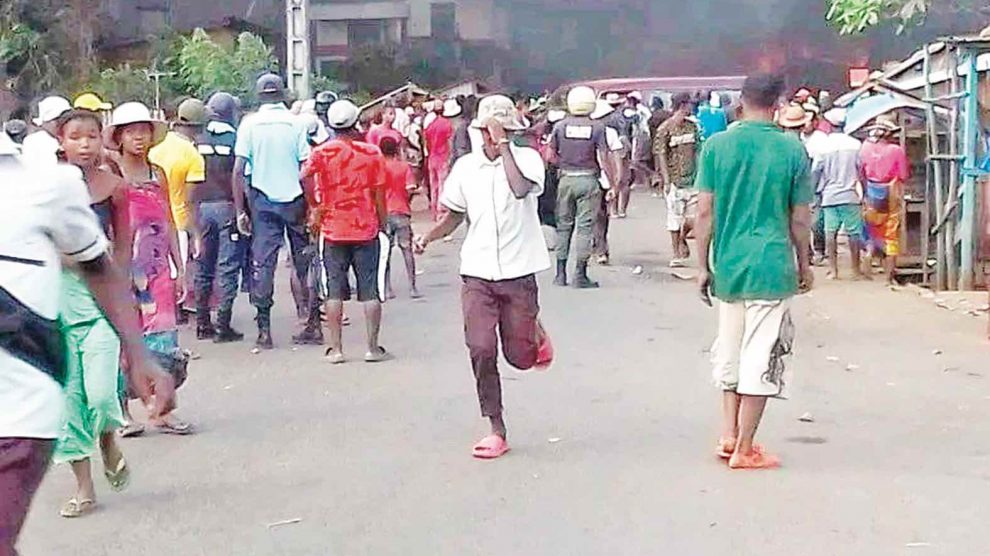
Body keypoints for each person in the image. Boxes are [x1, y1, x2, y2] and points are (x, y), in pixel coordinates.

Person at [0, 130, 175, 553]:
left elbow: (99, 266)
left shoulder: (44, 186)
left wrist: (139, 355)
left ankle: (105, 442)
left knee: (98, 397)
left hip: (17, 412)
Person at [414, 95, 554, 460]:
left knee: (520, 357)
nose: (491, 138)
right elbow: (455, 215)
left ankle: (534, 331)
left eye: (499, 132)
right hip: (477, 272)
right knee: (480, 347)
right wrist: (429, 236)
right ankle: (496, 426)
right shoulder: (465, 168)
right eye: (487, 132)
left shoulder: (527, 160)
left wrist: (505, 146)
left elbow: (520, 189)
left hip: (520, 269)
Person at [695, 73, 814, 470]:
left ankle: (728, 435)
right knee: (761, 356)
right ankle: (746, 449)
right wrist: (804, 264)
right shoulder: (792, 151)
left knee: (729, 350)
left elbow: (705, 211)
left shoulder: (716, 146)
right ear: (778, 103)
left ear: (741, 101)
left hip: (728, 266)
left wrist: (701, 266)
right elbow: (799, 219)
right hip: (771, 265)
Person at [52, 109, 134, 518]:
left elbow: (123, 245)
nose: (84, 144)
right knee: (69, 404)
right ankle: (84, 488)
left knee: (101, 395)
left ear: (102, 141)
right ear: (61, 142)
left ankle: (107, 437)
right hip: (56, 307)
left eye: (91, 136)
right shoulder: (44, 189)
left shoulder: (114, 188)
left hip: (100, 305)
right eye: (75, 137)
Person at [105, 101, 193, 437]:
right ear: (120, 137)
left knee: (163, 339)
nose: (139, 138)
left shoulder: (159, 173)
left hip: (156, 269)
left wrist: (179, 267)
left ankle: (161, 409)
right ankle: (122, 412)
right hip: (122, 269)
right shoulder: (111, 175)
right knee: (122, 341)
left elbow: (168, 220)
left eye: (143, 131)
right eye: (132, 132)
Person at [300, 100, 388, 363]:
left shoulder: (321, 153)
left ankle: (336, 349)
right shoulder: (372, 153)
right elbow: (379, 193)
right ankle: (372, 348)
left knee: (334, 290)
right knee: (371, 291)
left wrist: (315, 205)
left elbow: (303, 176)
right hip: (366, 227)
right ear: (355, 122)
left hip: (333, 228)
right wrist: (382, 222)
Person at [232, 74, 313, 350]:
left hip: (262, 201)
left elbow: (239, 170)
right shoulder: (297, 123)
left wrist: (240, 209)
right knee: (304, 263)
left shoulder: (249, 124)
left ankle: (264, 329)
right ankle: (311, 321)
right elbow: (306, 168)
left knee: (263, 264)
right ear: (282, 95)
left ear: (259, 96)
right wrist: (312, 205)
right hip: (296, 200)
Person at [188, 92, 247, 343]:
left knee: (204, 264)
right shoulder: (237, 139)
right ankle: (223, 324)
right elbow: (242, 176)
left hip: (201, 207)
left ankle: (202, 323)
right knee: (227, 266)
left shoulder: (197, 139)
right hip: (226, 206)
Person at [548, 86, 618, 288]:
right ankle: (580, 275)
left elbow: (550, 155)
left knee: (564, 227)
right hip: (588, 180)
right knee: (585, 228)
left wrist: (563, 164)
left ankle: (560, 274)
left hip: (566, 179)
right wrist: (612, 184)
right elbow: (604, 158)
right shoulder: (597, 128)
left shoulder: (560, 126)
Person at [149, 98, 208, 323]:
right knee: (179, 272)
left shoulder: (156, 148)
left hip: (154, 220)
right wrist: (197, 233)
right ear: (199, 126)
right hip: (179, 220)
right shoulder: (192, 155)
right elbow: (191, 199)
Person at [811, 108, 867, 280]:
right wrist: (863, 190)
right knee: (854, 233)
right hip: (851, 194)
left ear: (829, 125)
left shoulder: (823, 147)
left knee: (830, 232)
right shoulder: (856, 144)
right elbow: (861, 169)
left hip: (829, 195)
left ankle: (834, 270)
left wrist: (813, 191)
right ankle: (855, 270)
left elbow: (816, 171)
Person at [858, 114, 910, 285]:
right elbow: (903, 175)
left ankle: (868, 255)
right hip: (891, 193)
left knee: (871, 231)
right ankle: (888, 278)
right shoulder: (896, 150)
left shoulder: (864, 148)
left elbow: (861, 173)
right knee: (891, 235)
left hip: (871, 192)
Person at [654, 93, 700, 268]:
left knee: (693, 217)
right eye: (690, 104)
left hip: (693, 179)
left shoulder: (692, 127)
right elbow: (661, 154)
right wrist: (665, 180)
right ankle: (676, 253)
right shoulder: (664, 129)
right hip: (674, 180)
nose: (692, 107)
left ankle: (682, 238)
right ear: (682, 105)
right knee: (674, 217)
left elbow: (697, 150)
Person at [380, 136, 421, 299]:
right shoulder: (404, 167)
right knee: (407, 249)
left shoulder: (379, 168)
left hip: (385, 213)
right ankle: (412, 287)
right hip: (402, 211)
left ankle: (387, 288)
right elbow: (410, 188)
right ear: (396, 149)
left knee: (386, 252)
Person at [424, 99, 455, 222]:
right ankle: (441, 212)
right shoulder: (447, 124)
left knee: (434, 186)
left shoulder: (430, 126)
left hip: (432, 157)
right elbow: (450, 142)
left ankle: (434, 211)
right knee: (443, 185)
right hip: (443, 157)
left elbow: (427, 144)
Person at [21, 95, 72, 166]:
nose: (61, 122)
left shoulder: (74, 139)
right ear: (45, 122)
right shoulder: (33, 141)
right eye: (56, 119)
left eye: (65, 118)